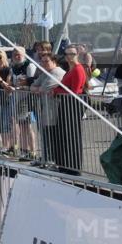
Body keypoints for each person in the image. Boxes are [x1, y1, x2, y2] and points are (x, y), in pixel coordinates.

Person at [53, 44, 88, 175]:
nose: (69, 56)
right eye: (67, 54)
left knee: (71, 135)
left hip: (72, 105)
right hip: (65, 104)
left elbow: (74, 91)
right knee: (64, 134)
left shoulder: (78, 69)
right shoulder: (70, 69)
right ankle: (65, 165)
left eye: (72, 54)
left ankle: (73, 167)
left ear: (77, 54)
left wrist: (56, 90)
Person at [30, 51, 65, 168]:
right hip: (45, 109)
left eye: (47, 61)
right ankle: (45, 159)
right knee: (45, 136)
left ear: (54, 62)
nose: (44, 63)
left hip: (53, 110)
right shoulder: (46, 73)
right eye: (42, 61)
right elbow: (33, 86)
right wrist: (37, 88)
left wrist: (38, 89)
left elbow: (42, 88)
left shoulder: (57, 72)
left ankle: (51, 160)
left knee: (51, 137)